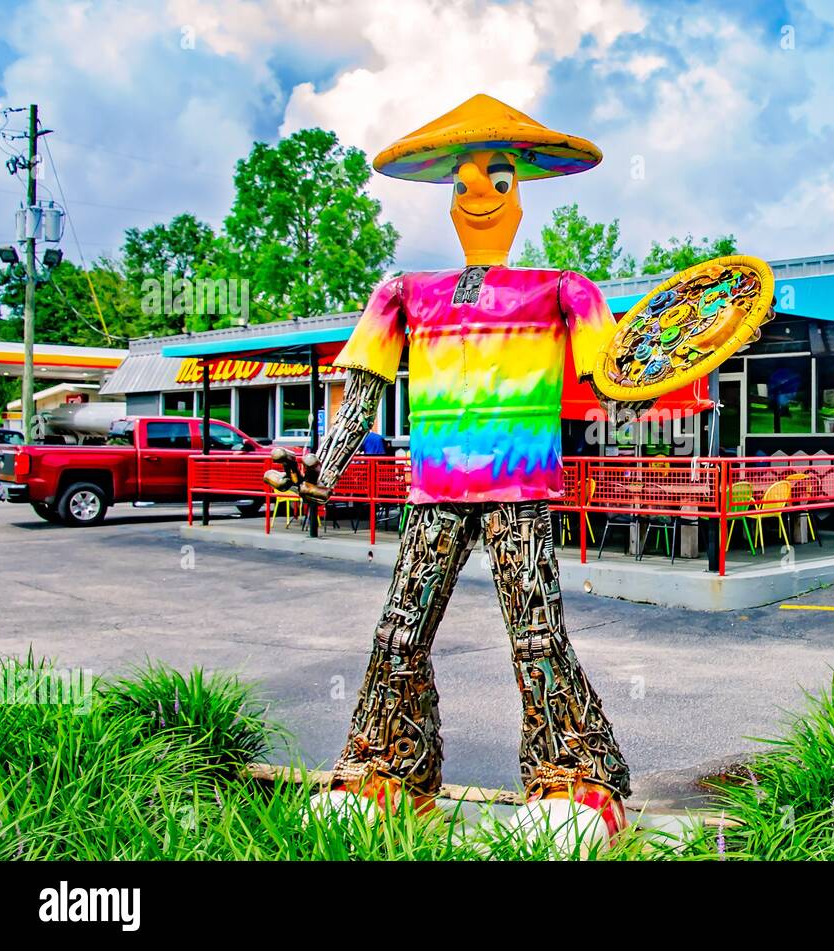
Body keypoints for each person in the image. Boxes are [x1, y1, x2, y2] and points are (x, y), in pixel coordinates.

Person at [265, 94, 642, 841]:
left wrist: (668, 358)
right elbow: (362, 394)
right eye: (463, 180)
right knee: (397, 632)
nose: (477, 194)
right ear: (448, 198)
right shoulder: (405, 293)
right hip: (434, 490)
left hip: (520, 489)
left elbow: (618, 374)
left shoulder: (563, 290)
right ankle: (385, 769)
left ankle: (579, 779)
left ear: (519, 196)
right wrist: (321, 472)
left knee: (537, 633)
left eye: (497, 179)